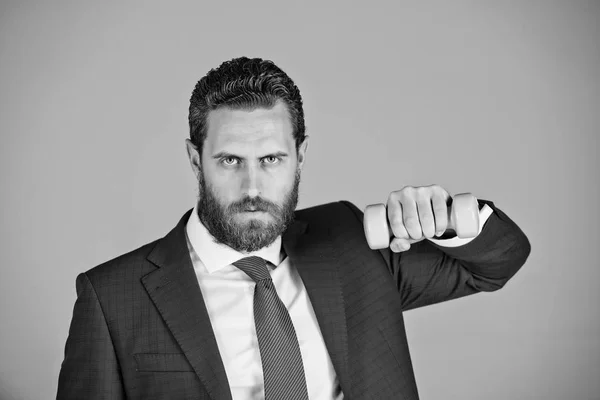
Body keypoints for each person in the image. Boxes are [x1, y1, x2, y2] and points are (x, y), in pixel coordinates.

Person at [56, 56, 531, 400]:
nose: (252, 186)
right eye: (229, 161)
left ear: (300, 157)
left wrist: (449, 219)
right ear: (194, 160)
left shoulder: (352, 243)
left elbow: (497, 264)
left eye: (271, 159)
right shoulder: (111, 297)